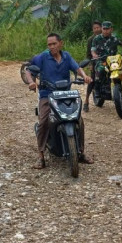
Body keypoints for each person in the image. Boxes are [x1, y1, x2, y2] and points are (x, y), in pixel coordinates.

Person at [28, 33, 93, 169]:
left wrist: (85, 76)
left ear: (60, 43)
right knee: (44, 122)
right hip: (47, 94)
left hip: (65, 94)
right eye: (49, 44)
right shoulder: (43, 57)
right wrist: (31, 82)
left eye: (54, 44)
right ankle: (41, 156)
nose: (51, 47)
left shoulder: (66, 56)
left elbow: (77, 68)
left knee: (79, 120)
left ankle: (81, 152)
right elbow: (29, 70)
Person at [90, 21, 122, 106]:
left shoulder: (115, 38)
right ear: (102, 29)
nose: (105, 31)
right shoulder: (96, 38)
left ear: (111, 29)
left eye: (107, 29)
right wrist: (94, 55)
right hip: (102, 60)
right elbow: (93, 49)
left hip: (114, 61)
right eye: (104, 29)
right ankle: (97, 91)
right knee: (100, 71)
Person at [83, 20, 102, 112]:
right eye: (95, 28)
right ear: (93, 29)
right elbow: (88, 55)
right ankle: (86, 101)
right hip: (95, 62)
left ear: (101, 28)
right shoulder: (91, 39)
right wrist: (90, 64)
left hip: (106, 61)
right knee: (92, 80)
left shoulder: (106, 37)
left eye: (98, 27)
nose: (96, 29)